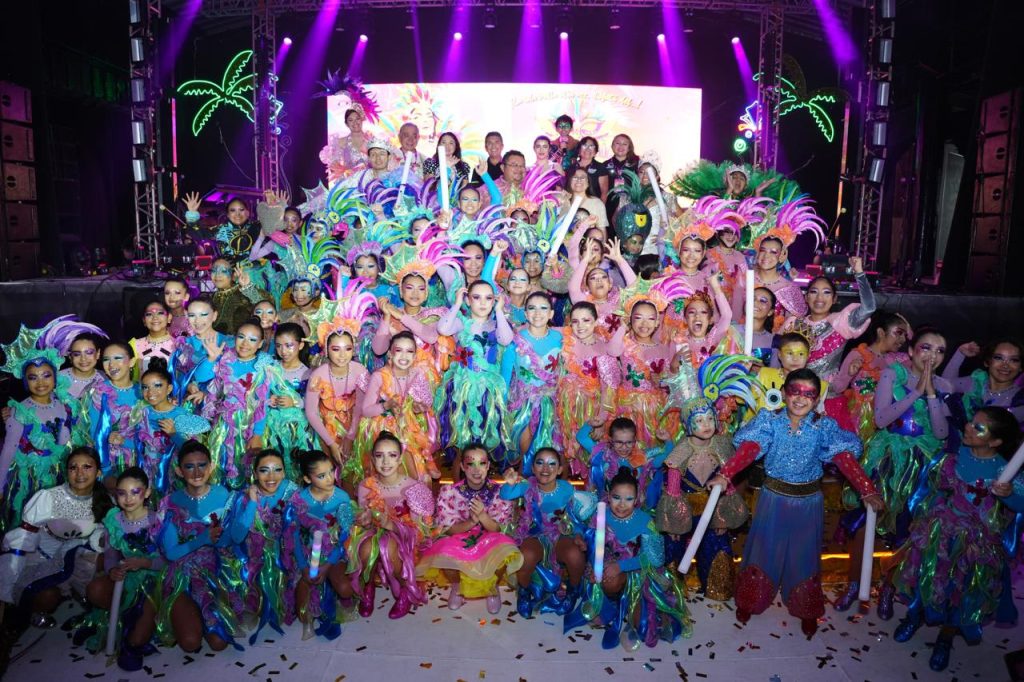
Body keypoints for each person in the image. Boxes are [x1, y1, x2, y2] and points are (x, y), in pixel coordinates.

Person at [707, 369, 884, 637]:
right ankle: (750, 600)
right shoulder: (769, 421)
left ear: (817, 399)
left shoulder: (823, 426)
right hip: (773, 500)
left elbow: (844, 458)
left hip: (808, 503)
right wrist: (725, 475)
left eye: (808, 394)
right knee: (764, 550)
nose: (800, 399)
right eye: (795, 392)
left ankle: (805, 608)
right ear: (784, 393)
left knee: (804, 556)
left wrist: (867, 489)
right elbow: (749, 450)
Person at [891, 407, 1024, 671]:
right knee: (926, 578)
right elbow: (928, 490)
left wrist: (1008, 494)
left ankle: (946, 637)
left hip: (974, 546)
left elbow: (1020, 505)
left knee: (960, 591)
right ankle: (914, 617)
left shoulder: (1004, 471)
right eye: (971, 422)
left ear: (995, 441)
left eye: (979, 428)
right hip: (939, 535)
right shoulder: (950, 457)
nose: (968, 427)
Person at [835, 328, 952, 618]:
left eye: (940, 351)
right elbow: (881, 418)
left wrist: (931, 393)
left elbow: (941, 432)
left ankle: (888, 587)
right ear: (911, 351)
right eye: (926, 348)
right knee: (865, 522)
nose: (932, 356)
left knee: (907, 528)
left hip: (921, 463)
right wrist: (916, 392)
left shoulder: (943, 384)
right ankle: (853, 583)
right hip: (887, 456)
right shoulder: (892, 374)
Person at [567, 467, 691, 650]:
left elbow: (655, 560)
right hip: (610, 566)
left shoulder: (646, 521)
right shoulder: (601, 514)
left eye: (629, 499)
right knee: (608, 581)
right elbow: (587, 536)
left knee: (644, 629)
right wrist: (593, 565)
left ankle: (633, 605)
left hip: (640, 573)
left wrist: (621, 566)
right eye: (616, 497)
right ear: (608, 496)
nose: (622, 505)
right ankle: (612, 604)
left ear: (637, 498)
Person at [0, 447, 110, 628]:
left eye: (87, 467)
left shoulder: (103, 500)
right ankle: (31, 611)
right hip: (41, 559)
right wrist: (11, 570)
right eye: (73, 467)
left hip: (75, 558)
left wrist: (98, 539)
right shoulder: (48, 497)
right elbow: (25, 536)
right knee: (48, 597)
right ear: (67, 472)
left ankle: (91, 602)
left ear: (98, 472)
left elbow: (101, 532)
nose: (80, 473)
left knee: (103, 561)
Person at [157, 440, 242, 653]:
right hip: (183, 575)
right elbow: (171, 553)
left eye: (202, 465)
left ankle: (204, 613)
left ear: (211, 467)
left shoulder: (223, 494)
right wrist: (202, 539)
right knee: (190, 643)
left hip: (215, 572)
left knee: (219, 643)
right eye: (189, 466)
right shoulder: (170, 502)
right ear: (179, 471)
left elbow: (230, 539)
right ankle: (190, 612)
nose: (197, 472)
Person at [417, 443, 522, 614]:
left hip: (490, 535)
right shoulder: (449, 492)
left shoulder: (499, 492)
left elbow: (498, 528)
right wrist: (472, 521)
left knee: (505, 547)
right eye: (470, 464)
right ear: (462, 467)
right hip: (460, 535)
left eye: (482, 463)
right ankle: (457, 586)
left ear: (488, 466)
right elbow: (449, 529)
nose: (476, 469)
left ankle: (492, 588)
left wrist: (482, 516)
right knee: (443, 548)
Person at [75, 467, 162, 670]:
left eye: (135, 492)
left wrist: (144, 563)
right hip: (127, 579)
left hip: (154, 582)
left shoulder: (156, 520)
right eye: (122, 493)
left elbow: (169, 560)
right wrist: (112, 570)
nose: (128, 499)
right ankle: (114, 619)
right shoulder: (114, 520)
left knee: (136, 640)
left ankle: (140, 626)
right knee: (95, 589)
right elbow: (111, 556)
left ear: (147, 493)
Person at [347, 432, 435, 619]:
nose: (385, 462)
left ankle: (404, 591)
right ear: (373, 459)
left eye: (392, 455)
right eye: (379, 455)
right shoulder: (365, 486)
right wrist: (365, 519)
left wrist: (393, 526)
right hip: (373, 534)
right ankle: (368, 588)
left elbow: (418, 533)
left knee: (387, 546)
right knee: (367, 547)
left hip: (404, 538)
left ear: (400, 458)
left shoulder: (413, 487)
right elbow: (364, 518)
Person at [501, 448, 591, 618]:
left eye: (552, 464)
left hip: (560, 534)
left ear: (559, 469)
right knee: (526, 556)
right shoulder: (527, 486)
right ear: (533, 468)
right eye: (540, 463)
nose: (545, 468)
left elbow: (574, 517)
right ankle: (524, 592)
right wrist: (510, 484)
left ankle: (572, 592)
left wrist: (578, 535)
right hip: (533, 534)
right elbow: (505, 495)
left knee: (576, 556)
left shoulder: (566, 488)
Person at [435, 280, 514, 466]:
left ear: (494, 301)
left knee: (486, 432)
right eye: (476, 297)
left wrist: (499, 311)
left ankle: (483, 473)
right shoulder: (461, 322)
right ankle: (459, 476)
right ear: (468, 300)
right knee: (461, 435)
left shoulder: (496, 324)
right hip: (463, 385)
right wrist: (456, 304)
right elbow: (443, 328)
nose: (483, 303)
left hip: (488, 388)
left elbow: (506, 340)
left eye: (489, 298)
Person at [0, 331, 72, 531]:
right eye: (33, 377)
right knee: (29, 524)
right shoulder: (19, 411)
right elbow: (8, 450)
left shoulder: (63, 405)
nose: (41, 382)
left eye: (46, 375)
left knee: (54, 528)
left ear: (55, 377)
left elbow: (64, 443)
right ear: (25, 380)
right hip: (29, 478)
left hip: (57, 476)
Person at [285, 450, 355, 640]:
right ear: (307, 479)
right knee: (303, 608)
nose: (330, 478)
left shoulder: (341, 497)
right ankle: (310, 608)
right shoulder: (299, 500)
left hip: (333, 551)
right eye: (322, 476)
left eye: (331, 471)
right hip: (309, 551)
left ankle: (334, 591)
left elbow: (344, 535)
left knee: (345, 590)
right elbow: (294, 535)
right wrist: (303, 566)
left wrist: (328, 565)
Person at [357, 331, 439, 483]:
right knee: (396, 465)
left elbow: (424, 403)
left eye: (409, 351)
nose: (404, 356)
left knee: (417, 472)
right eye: (399, 350)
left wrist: (417, 408)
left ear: (415, 356)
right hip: (382, 427)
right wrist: (386, 405)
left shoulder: (417, 374)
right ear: (390, 354)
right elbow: (366, 410)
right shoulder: (379, 376)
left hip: (407, 424)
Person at [781, 262, 876, 386]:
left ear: (834, 298)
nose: (819, 298)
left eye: (826, 292)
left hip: (827, 392)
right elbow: (777, 356)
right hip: (793, 390)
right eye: (814, 292)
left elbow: (868, 308)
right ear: (806, 297)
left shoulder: (840, 323)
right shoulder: (793, 323)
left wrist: (859, 272)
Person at [557, 301, 622, 475]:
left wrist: (601, 421)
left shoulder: (604, 348)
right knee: (564, 451)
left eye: (586, 320)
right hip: (565, 410)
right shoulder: (565, 339)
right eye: (575, 321)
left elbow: (610, 389)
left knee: (589, 459)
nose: (580, 326)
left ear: (595, 321)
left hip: (590, 411)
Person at [502, 291, 564, 472]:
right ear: (526, 314)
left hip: (552, 405)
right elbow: (505, 378)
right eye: (532, 308)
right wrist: (503, 410)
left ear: (551, 314)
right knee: (526, 453)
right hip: (522, 405)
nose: (537, 313)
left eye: (543, 308)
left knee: (550, 454)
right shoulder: (515, 341)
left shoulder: (561, 339)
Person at [825, 311, 910, 440]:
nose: (903, 339)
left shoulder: (895, 360)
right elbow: (837, 388)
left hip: (885, 422)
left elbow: (917, 356)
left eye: (905, 335)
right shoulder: (858, 354)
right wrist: (849, 374)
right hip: (859, 421)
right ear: (881, 332)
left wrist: (910, 331)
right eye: (899, 333)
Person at [943, 338, 1024, 426]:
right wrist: (960, 354)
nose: (1005, 365)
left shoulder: (1020, 399)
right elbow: (944, 385)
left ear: (1021, 367)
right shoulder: (976, 383)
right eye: (998, 358)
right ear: (987, 362)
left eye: (1014, 360)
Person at [131, 301, 176, 378]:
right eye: (149, 314)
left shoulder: (179, 345)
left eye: (160, 313)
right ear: (144, 320)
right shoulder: (134, 345)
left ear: (169, 317)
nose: (155, 317)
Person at [568, 136, 610, 203]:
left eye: (591, 146)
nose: (587, 149)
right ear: (579, 150)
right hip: (574, 203)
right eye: (584, 146)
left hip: (593, 204)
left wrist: (600, 207)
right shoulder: (572, 167)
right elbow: (568, 188)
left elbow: (604, 193)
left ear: (595, 151)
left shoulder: (601, 167)